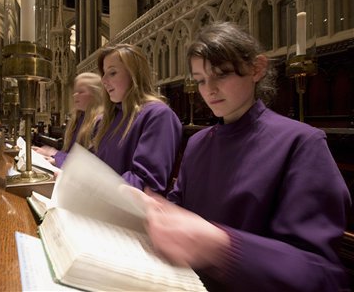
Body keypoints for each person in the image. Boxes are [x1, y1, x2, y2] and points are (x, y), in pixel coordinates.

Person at [125, 22, 351, 291]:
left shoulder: (301, 143)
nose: (209, 89)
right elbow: (179, 207)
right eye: (200, 80)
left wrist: (221, 246)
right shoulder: (197, 143)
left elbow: (319, 273)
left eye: (221, 74)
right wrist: (153, 209)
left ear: (256, 69)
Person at [93, 44, 182, 194]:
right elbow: (93, 165)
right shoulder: (108, 119)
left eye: (112, 73)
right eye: (104, 74)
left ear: (134, 74)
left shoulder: (157, 115)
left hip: (125, 209)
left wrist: (95, 189)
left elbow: (145, 182)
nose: (104, 80)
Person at [34, 72, 103, 168]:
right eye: (75, 92)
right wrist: (50, 153)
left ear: (96, 94)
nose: (75, 95)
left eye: (81, 92)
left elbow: (92, 162)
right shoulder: (78, 119)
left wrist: (54, 155)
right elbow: (70, 154)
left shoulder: (100, 122)